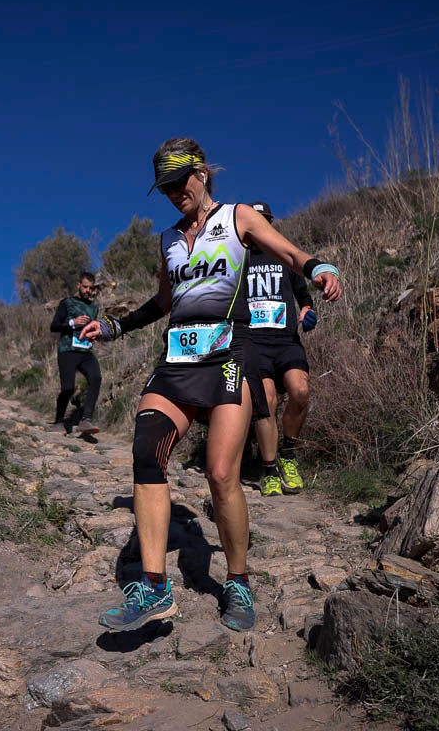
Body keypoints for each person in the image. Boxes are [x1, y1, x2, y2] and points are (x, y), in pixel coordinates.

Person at [81, 138, 342, 633]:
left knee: (222, 474)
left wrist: (317, 266)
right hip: (178, 357)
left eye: (181, 181)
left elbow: (286, 250)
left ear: (202, 173)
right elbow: (162, 301)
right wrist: (115, 327)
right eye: (165, 187)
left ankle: (238, 579)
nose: (175, 192)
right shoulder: (169, 239)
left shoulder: (238, 217)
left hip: (228, 355)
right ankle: (154, 587)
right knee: (145, 451)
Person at [245, 201, 325, 498]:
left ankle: (288, 455)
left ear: (271, 223)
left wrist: (307, 311)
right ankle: (268, 471)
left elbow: (304, 296)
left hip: (286, 342)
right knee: (265, 401)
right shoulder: (238, 260)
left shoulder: (285, 257)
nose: (259, 226)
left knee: (300, 392)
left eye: (264, 220)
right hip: (254, 344)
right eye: (255, 221)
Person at [48, 272, 102, 435]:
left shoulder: (94, 307)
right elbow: (54, 326)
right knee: (67, 388)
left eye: (91, 288)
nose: (88, 291)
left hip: (86, 351)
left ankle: (86, 420)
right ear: (78, 285)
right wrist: (72, 323)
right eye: (85, 287)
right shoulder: (67, 303)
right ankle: (58, 421)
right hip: (68, 351)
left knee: (96, 378)